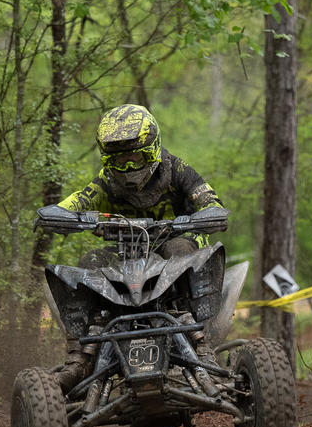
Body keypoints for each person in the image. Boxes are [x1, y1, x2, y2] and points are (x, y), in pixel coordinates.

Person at [53, 103, 226, 390]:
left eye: (134, 156)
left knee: (179, 252)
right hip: (126, 252)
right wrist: (59, 214)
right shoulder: (106, 182)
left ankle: (202, 346)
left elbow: (208, 198)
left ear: (152, 149)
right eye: (120, 161)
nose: (129, 167)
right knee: (89, 262)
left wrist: (207, 213)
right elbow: (79, 200)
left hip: (177, 241)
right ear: (108, 161)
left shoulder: (177, 170)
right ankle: (80, 357)